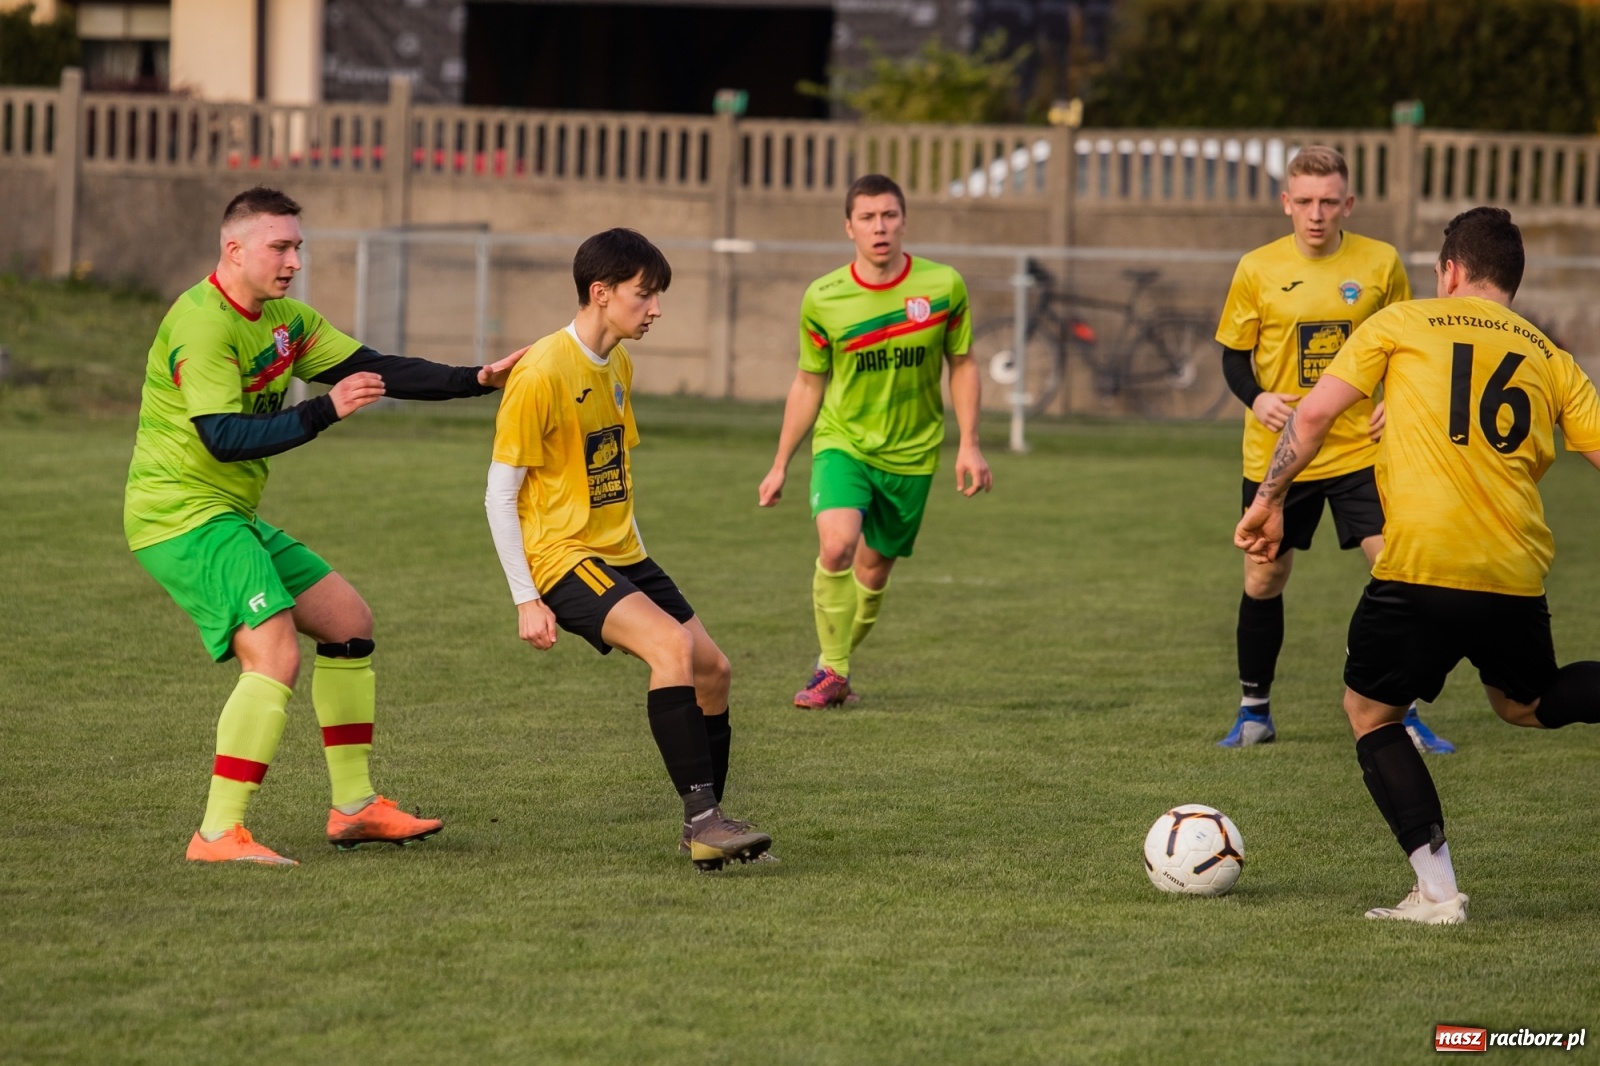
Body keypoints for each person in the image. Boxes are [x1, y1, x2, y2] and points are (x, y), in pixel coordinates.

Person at [127, 186, 526, 866]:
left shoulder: (285, 320)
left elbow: (371, 366)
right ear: (235, 250)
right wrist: (323, 412)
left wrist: (475, 379)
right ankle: (218, 834)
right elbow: (223, 436)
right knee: (274, 654)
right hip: (180, 514)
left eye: (297, 247)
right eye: (279, 247)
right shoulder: (202, 322)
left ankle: (355, 809)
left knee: (348, 621)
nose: (292, 262)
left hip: (228, 514)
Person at [1235, 206, 1600, 924]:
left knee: (1370, 713)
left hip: (1422, 564)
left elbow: (1310, 418)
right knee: (1524, 703)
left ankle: (1436, 893)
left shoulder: (1402, 324)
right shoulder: (1549, 354)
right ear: (1512, 283)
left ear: (1450, 271)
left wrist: (1270, 497)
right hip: (1514, 571)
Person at [484, 228, 772, 871]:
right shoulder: (540, 373)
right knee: (670, 648)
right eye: (645, 295)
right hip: (562, 557)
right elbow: (498, 495)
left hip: (621, 553)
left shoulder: (619, 364)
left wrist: (640, 558)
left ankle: (709, 827)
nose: (656, 309)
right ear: (601, 293)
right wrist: (526, 598)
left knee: (714, 670)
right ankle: (704, 822)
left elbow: (608, 472)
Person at [1215, 145, 1453, 753]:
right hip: (1279, 457)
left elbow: (1412, 346)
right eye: (1304, 202)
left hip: (1360, 455)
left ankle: (1405, 711)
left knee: (1398, 570)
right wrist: (1257, 397)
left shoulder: (1381, 263)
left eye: (1328, 202)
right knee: (1264, 576)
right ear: (1285, 203)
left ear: (1347, 203)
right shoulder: (1256, 268)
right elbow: (1233, 355)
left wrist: (1394, 399)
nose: (1316, 214)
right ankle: (1254, 713)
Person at [758, 173, 993, 708]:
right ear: (849, 227)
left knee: (872, 570)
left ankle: (832, 668)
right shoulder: (824, 297)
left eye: (888, 215)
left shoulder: (943, 287)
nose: (879, 226)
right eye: (867, 217)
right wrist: (780, 464)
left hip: (912, 454)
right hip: (843, 443)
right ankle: (834, 669)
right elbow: (808, 382)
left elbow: (963, 364)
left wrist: (970, 443)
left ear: (904, 221)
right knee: (838, 546)